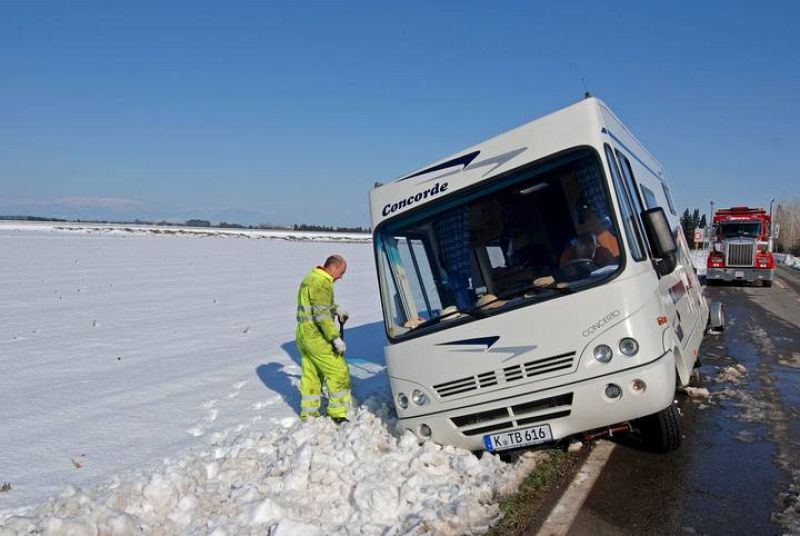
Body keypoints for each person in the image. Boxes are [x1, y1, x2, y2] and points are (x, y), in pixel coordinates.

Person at [295, 255, 351, 423]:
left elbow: (320, 305)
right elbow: (321, 316)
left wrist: (336, 309)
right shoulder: (322, 283)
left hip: (303, 335)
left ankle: (309, 414)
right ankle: (338, 413)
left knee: (311, 373)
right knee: (339, 371)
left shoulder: (311, 277)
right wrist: (335, 339)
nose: (341, 277)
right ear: (332, 268)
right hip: (316, 336)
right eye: (341, 272)